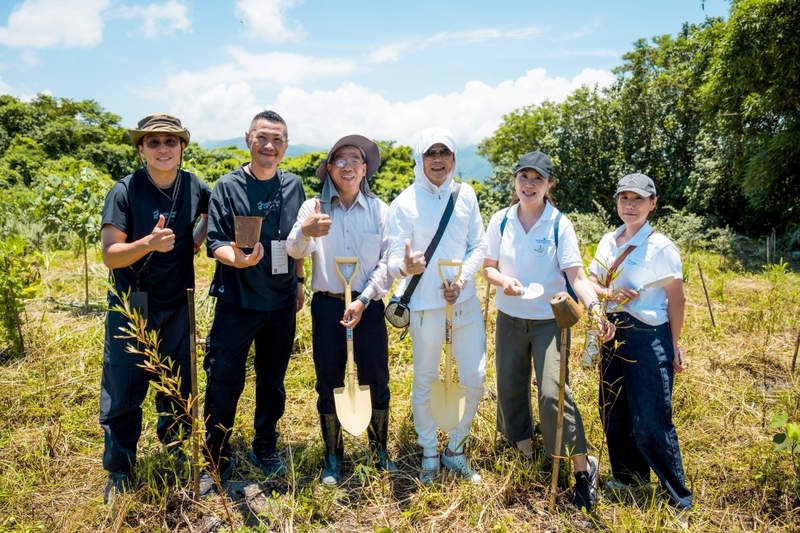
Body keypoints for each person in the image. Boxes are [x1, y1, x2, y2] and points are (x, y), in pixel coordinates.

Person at [482, 151, 615, 510]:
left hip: (549, 323)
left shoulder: (559, 224)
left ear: (549, 185)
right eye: (523, 177)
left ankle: (583, 471)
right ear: (515, 181)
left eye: (537, 179)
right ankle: (524, 456)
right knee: (510, 387)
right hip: (509, 318)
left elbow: (576, 276)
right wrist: (504, 281)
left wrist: (593, 308)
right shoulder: (501, 220)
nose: (529, 185)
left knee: (554, 394)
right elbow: (488, 269)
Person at [99, 113, 210, 503]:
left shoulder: (194, 185)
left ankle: (177, 453)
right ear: (141, 149)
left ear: (182, 147)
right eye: (153, 142)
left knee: (177, 384)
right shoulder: (125, 191)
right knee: (124, 386)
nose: (163, 148)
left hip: (179, 302)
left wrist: (192, 242)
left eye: (170, 141)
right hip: (134, 303)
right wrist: (147, 243)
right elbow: (111, 255)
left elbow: (216, 214)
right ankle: (120, 470)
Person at [201, 110, 305, 495]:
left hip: (280, 303)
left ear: (286, 146)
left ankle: (266, 444)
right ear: (248, 138)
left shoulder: (293, 186)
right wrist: (238, 258)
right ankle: (216, 455)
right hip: (237, 301)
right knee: (224, 379)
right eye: (262, 137)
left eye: (277, 139)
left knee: (272, 380)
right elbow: (214, 242)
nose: (269, 145)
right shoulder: (227, 186)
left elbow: (297, 241)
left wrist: (299, 282)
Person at [286, 134, 395, 485]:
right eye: (340, 160)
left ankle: (379, 449)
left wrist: (364, 299)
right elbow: (293, 251)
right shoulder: (313, 208)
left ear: (365, 170)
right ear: (330, 168)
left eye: (355, 160)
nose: (347, 166)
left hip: (369, 306)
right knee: (329, 379)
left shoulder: (380, 210)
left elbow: (389, 262)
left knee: (376, 377)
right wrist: (305, 232)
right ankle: (333, 456)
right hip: (328, 305)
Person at [386, 127, 487, 485]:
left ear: (454, 159)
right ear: (421, 158)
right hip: (426, 308)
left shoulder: (467, 196)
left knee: (475, 377)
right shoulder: (405, 202)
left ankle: (455, 447)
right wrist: (407, 266)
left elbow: (478, 245)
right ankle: (429, 449)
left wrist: (462, 282)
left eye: (445, 152)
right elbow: (393, 258)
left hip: (465, 304)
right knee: (426, 379)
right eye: (431, 153)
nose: (438, 159)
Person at [588, 173, 692, 515]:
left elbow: (677, 299)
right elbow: (592, 282)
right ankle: (629, 479)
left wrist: (673, 345)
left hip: (649, 335)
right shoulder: (608, 240)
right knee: (613, 410)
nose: (629, 205)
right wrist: (608, 294)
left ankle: (678, 498)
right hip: (611, 333)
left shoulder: (661, 246)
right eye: (623, 198)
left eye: (638, 199)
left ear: (653, 203)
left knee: (650, 419)